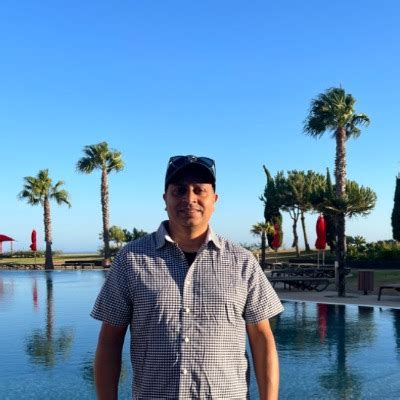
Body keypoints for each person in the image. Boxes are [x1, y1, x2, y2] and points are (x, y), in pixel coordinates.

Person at [91, 155, 284, 400]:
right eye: (179, 190)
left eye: (199, 190)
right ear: (165, 199)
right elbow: (109, 341)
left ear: (214, 200)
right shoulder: (131, 260)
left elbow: (262, 338)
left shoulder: (242, 262)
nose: (189, 198)